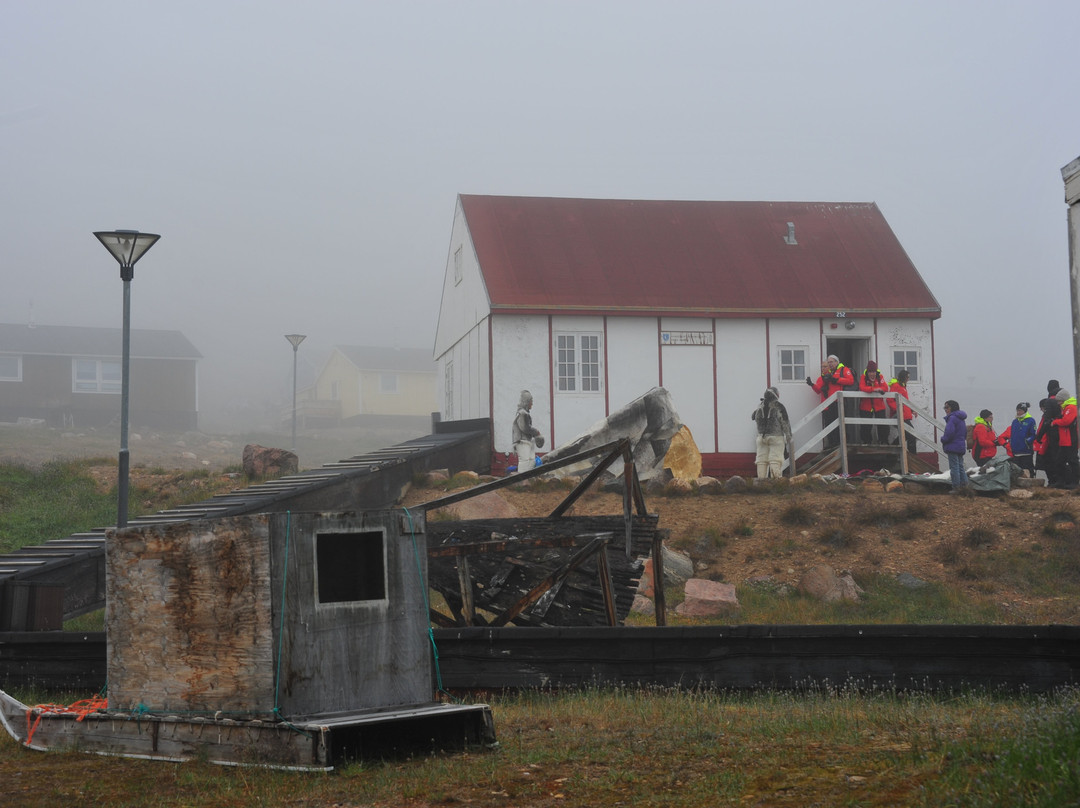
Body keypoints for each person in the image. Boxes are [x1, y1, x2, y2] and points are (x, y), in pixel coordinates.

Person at [806, 354, 855, 449]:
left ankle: (840, 442)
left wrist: (834, 379)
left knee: (840, 423)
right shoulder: (825, 376)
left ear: (837, 362)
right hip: (828, 404)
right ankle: (832, 443)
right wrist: (812, 384)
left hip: (838, 402)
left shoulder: (842, 370)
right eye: (827, 363)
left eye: (830, 363)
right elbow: (818, 389)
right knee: (829, 425)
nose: (827, 365)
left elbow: (850, 381)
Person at [751, 386, 792, 479]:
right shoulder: (778, 406)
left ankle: (761, 482)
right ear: (776, 395)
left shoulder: (760, 405)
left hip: (761, 437)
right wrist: (789, 435)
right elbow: (785, 421)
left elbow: (753, 417)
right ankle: (775, 481)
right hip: (776, 436)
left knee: (761, 459)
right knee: (775, 459)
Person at [1049, 380, 1079, 487]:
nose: (1058, 403)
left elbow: (1067, 421)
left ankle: (1075, 482)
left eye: (1059, 401)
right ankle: (1061, 481)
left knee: (1072, 461)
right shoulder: (1066, 408)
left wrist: (1055, 422)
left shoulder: (1071, 408)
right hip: (1064, 440)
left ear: (1063, 400)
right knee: (1059, 461)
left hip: (1070, 439)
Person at [997, 402, 1036, 478]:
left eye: (1020, 410)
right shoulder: (1015, 422)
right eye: (1017, 410)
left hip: (1026, 451)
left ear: (1024, 411)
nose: (1018, 412)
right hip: (1015, 452)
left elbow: (1033, 434)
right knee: (1017, 472)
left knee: (1028, 471)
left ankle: (1031, 486)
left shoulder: (1031, 420)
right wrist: (1009, 445)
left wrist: (1027, 442)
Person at [512, 390, 544, 472]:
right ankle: (522, 480)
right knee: (525, 461)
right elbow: (525, 428)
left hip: (527, 441)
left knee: (531, 460)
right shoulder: (523, 413)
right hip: (522, 441)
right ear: (526, 402)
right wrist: (536, 432)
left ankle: (528, 479)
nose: (532, 404)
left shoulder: (524, 413)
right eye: (531, 401)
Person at [857, 360, 889, 444]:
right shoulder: (863, 377)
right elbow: (862, 387)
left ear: (876, 371)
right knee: (866, 426)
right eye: (870, 372)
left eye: (874, 372)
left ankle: (883, 441)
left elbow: (885, 388)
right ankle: (867, 442)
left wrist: (879, 389)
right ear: (867, 372)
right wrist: (875, 389)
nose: (872, 374)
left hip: (879, 406)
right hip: (865, 406)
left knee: (883, 425)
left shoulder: (880, 377)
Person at [887, 369, 917, 454]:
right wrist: (898, 409)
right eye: (907, 377)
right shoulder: (896, 386)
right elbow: (889, 400)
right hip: (899, 415)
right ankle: (913, 456)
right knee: (911, 435)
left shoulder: (903, 386)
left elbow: (905, 401)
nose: (908, 379)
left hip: (905, 415)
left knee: (905, 436)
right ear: (903, 377)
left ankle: (892, 449)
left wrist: (912, 411)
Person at [940, 400, 968, 490]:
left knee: (954, 468)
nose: (945, 410)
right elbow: (965, 433)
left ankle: (956, 488)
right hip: (960, 446)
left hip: (952, 446)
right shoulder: (961, 419)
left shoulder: (952, 418)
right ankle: (965, 486)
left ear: (952, 408)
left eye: (947, 407)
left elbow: (949, 433)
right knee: (960, 467)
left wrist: (943, 439)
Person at [1035, 397, 1061, 486]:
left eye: (1041, 408)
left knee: (1049, 464)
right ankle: (1054, 482)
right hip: (1048, 443)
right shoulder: (1056, 416)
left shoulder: (1047, 418)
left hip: (1046, 443)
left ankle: (1053, 482)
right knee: (1050, 464)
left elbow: (1043, 429)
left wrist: (1038, 438)